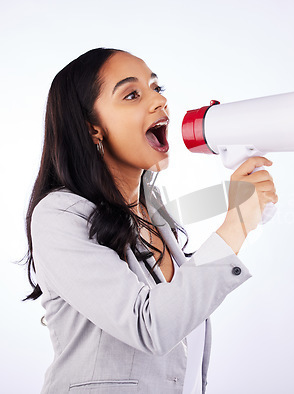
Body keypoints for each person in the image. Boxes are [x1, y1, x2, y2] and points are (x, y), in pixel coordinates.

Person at [22, 48, 278, 393]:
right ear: (93, 129)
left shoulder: (152, 211)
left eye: (157, 88)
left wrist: (247, 207)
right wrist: (236, 223)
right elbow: (149, 326)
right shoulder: (59, 216)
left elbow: (183, 314)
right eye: (132, 94)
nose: (159, 101)